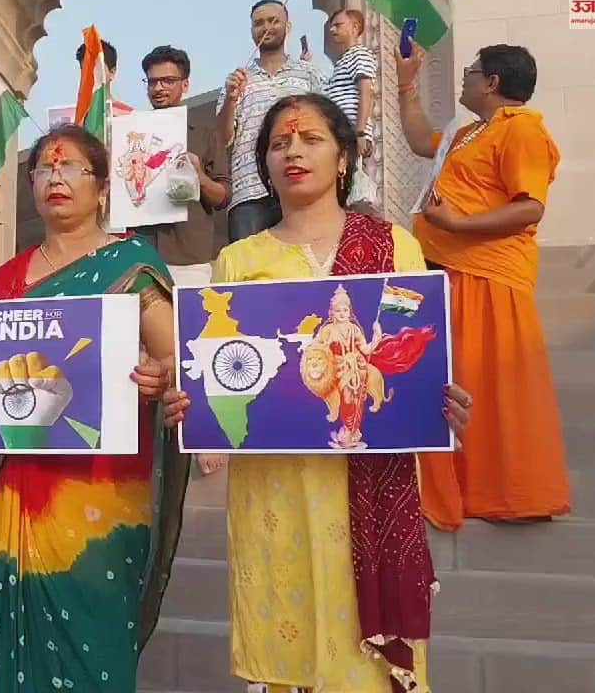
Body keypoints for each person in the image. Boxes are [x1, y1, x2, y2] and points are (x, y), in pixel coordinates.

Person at [163, 94, 474, 693]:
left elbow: (408, 346)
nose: (293, 152)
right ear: (265, 164)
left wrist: (439, 399)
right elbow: (221, 375)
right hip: (274, 488)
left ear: (343, 157)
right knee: (289, 636)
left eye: (310, 140)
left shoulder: (394, 247)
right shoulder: (237, 262)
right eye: (279, 144)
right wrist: (190, 403)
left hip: (369, 480)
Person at [0, 125, 187, 691]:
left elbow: (178, 356)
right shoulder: (7, 278)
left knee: (91, 643)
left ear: (102, 188)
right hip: (17, 479)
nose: (57, 177)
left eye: (73, 167)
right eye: (45, 169)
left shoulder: (131, 264)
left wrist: (162, 376)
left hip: (99, 488)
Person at [396, 42, 570, 530]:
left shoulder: (522, 129)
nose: (465, 77)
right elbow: (418, 140)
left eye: (471, 71)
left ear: (492, 82)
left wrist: (456, 224)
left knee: (487, 388)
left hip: (486, 277)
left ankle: (508, 493)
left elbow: (530, 207)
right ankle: (455, 487)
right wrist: (407, 83)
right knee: (450, 383)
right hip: (444, 270)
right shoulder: (468, 132)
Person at [217, 0, 324, 243]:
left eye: (273, 21)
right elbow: (223, 138)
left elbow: (327, 128)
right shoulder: (238, 79)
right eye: (258, 23)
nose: (266, 27)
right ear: (251, 31)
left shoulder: (310, 73)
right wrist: (231, 99)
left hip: (299, 186)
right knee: (247, 265)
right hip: (249, 192)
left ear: (288, 26)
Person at [137, 44, 231, 284]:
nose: (158, 88)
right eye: (152, 82)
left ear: (185, 85)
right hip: (141, 256)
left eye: (168, 81)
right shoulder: (132, 134)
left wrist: (199, 177)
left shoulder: (205, 132)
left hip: (190, 257)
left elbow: (223, 197)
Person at [325, 8, 379, 212]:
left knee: (355, 191)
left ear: (355, 27)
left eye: (338, 25)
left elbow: (366, 90)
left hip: (352, 134)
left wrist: (360, 131)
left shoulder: (360, 54)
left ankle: (366, 228)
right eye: (332, 26)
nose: (332, 30)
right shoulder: (343, 61)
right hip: (341, 134)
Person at [74, 38, 135, 114]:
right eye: (86, 70)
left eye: (97, 68)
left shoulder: (128, 115)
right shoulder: (74, 116)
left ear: (112, 72)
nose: (91, 75)